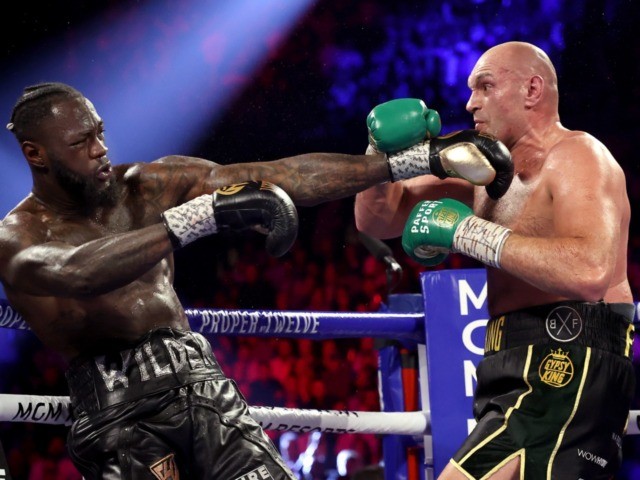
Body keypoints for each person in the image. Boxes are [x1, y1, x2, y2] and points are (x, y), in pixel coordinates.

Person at [0, 82, 512, 479]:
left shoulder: (144, 185)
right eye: (81, 141)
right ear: (36, 154)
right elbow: (79, 272)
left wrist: (406, 163)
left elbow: (279, 175)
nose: (100, 149)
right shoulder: (17, 236)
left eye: (100, 132)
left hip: (200, 386)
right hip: (116, 413)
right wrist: (199, 218)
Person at [354, 41, 635, 480]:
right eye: (470, 90)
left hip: (568, 360)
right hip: (509, 362)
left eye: (485, 87)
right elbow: (378, 218)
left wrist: (466, 231)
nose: (470, 103)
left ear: (532, 90)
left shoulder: (578, 156)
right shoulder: (481, 173)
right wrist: (381, 157)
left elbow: (589, 271)